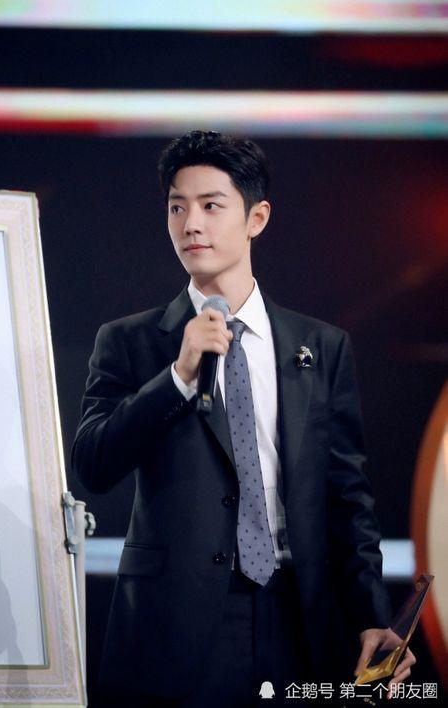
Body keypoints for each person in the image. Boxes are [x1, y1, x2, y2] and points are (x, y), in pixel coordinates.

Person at [72, 130, 416, 707]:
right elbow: (93, 464)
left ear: (257, 217)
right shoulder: (131, 341)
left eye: (211, 206)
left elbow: (347, 495)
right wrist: (178, 376)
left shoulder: (319, 346)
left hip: (299, 613)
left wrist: (371, 615)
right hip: (176, 624)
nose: (191, 224)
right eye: (177, 208)